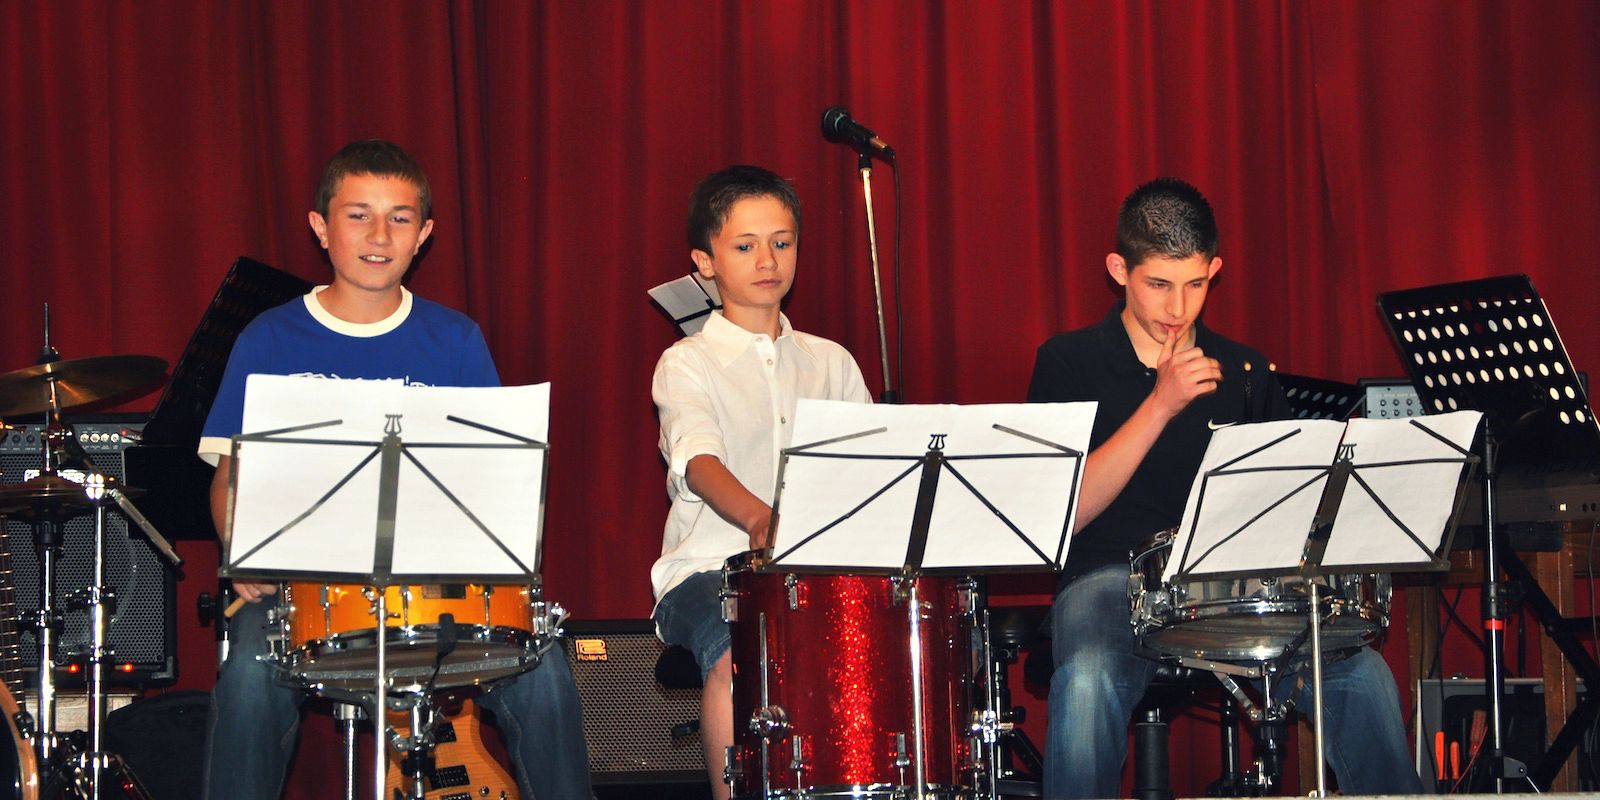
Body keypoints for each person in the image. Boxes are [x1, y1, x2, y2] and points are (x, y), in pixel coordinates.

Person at [197, 139, 592, 800]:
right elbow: (229, 476)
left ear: (425, 235)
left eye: (400, 218)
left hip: (439, 590)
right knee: (246, 682)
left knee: (545, 671)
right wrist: (245, 552)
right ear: (320, 227)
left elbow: (501, 477)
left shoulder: (456, 338)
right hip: (306, 592)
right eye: (358, 215)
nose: (379, 235)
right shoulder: (268, 337)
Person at [1028, 177, 1422, 798]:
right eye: (1158, 284)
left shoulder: (1243, 370)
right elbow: (1063, 516)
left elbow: (1295, 505)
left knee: (1361, 676)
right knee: (1086, 681)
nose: (1178, 309)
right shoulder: (1067, 362)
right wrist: (1160, 404)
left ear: (1215, 269)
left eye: (1195, 284)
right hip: (1109, 580)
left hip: (1232, 589)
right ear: (1118, 270)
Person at [649, 165, 871, 800]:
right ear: (705, 262)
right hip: (707, 569)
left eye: (783, 241)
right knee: (736, 644)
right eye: (745, 246)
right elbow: (698, 460)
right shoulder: (686, 362)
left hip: (819, 570)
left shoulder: (831, 362)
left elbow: (865, 471)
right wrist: (759, 519)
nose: (768, 259)